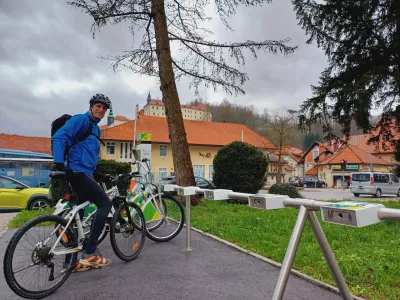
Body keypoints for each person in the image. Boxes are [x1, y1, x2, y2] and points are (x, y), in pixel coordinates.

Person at [52, 94, 112, 271]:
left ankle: (71, 263)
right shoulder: (81, 120)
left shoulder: (96, 129)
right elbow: (59, 137)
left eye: (104, 108)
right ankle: (90, 253)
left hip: (84, 173)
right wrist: (60, 164)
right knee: (105, 204)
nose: (100, 110)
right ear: (91, 106)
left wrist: (98, 173)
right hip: (77, 174)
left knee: (76, 217)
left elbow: (88, 154)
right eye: (98, 106)